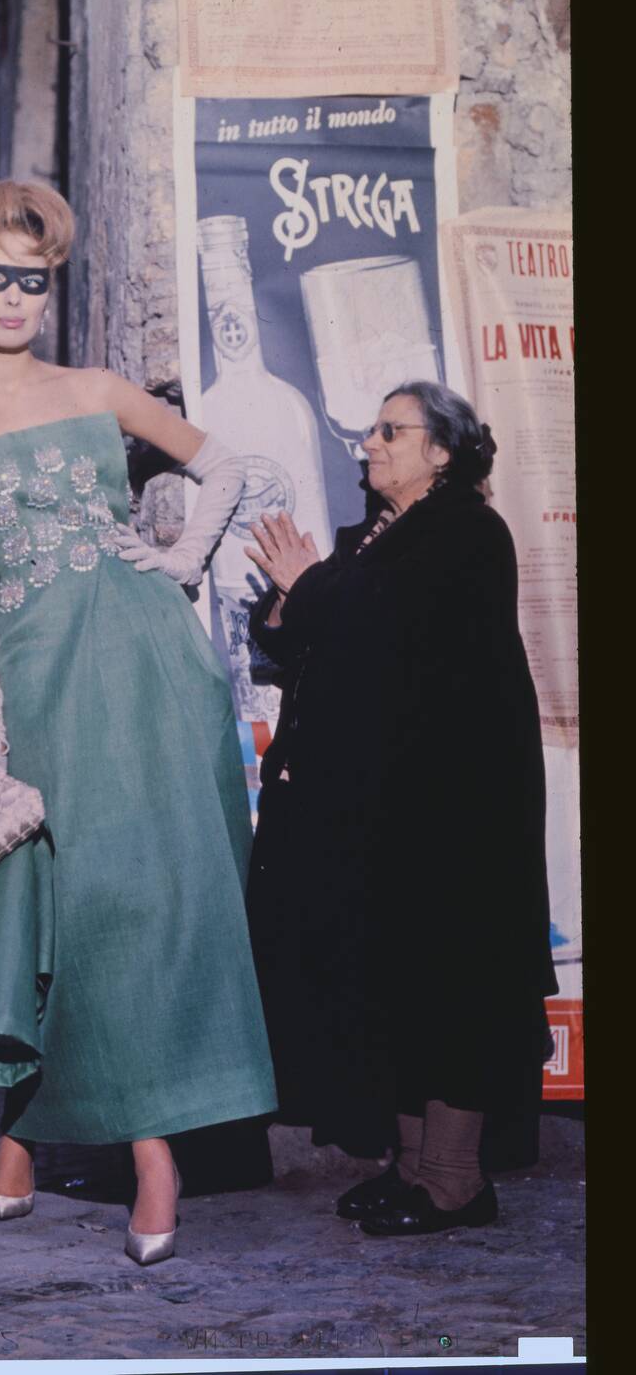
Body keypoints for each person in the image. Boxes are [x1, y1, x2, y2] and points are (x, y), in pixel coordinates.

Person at [0, 179, 276, 1266]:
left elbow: (225, 465)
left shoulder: (97, 388)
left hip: (151, 668)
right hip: (39, 676)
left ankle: (153, 1152)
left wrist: (179, 561)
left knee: (149, 903)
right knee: (56, 904)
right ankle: (25, 1128)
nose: (14, 297)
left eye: (33, 279)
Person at [242, 380, 556, 1236]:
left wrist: (309, 584)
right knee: (401, 981)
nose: (370, 445)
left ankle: (455, 1181)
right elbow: (324, 632)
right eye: (371, 430)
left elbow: (383, 626)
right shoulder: (383, 535)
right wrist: (290, 598)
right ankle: (414, 1168)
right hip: (395, 804)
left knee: (452, 981)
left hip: (457, 805)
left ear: (442, 450)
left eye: (392, 430)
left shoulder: (466, 532)